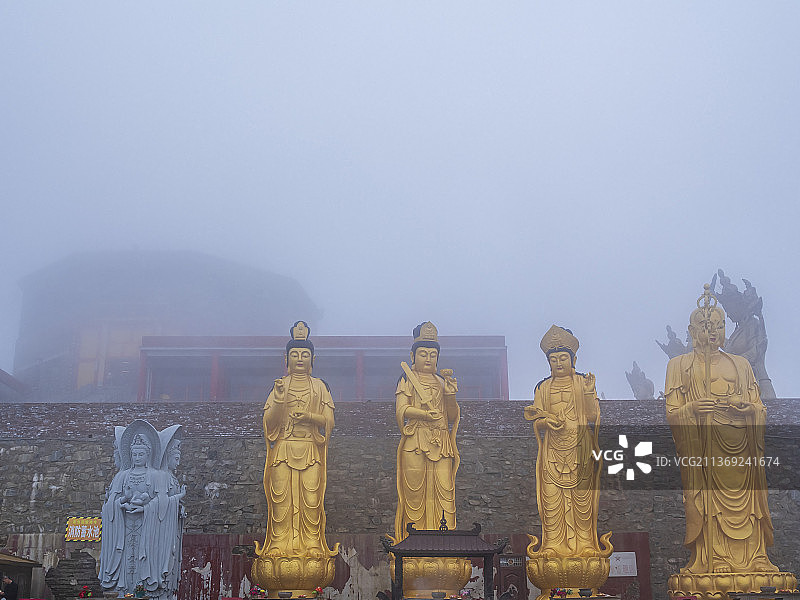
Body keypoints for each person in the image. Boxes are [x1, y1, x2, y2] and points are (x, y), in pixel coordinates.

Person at [665, 297, 778, 573]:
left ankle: (756, 558)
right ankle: (712, 559)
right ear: (692, 332)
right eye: (705, 326)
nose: (712, 332)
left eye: (718, 326)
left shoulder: (741, 365)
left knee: (750, 503)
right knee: (709, 502)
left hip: (741, 445)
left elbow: (759, 406)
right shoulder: (680, 365)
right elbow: (672, 412)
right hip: (705, 445)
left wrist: (749, 409)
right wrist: (691, 408)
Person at [524, 325, 605, 556]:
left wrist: (589, 392)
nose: (558, 363)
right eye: (553, 360)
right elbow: (536, 419)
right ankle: (553, 545)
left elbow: (591, 417)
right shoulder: (543, 387)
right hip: (552, 451)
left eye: (563, 358)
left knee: (582, 501)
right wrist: (545, 423)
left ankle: (586, 545)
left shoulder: (582, 383)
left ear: (574, 359)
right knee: (552, 501)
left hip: (579, 449)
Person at [257, 321, 335, 556]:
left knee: (311, 501)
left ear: (313, 359)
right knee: (281, 502)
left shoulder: (320, 387)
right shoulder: (279, 386)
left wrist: (311, 416)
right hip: (283, 449)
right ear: (286, 359)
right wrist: (280, 399)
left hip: (310, 449)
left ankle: (311, 543)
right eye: (294, 354)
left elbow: (329, 421)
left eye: (305, 354)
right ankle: (280, 545)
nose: (300, 358)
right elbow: (269, 423)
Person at [394, 321, 460, 538]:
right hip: (415, 441)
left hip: (440, 442)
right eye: (423, 354)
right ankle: (413, 543)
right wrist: (423, 414)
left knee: (444, 492)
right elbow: (402, 410)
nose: (428, 358)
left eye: (433, 354)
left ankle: (445, 543)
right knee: (415, 493)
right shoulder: (407, 379)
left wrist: (450, 396)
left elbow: (450, 417)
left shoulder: (442, 382)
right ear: (413, 357)